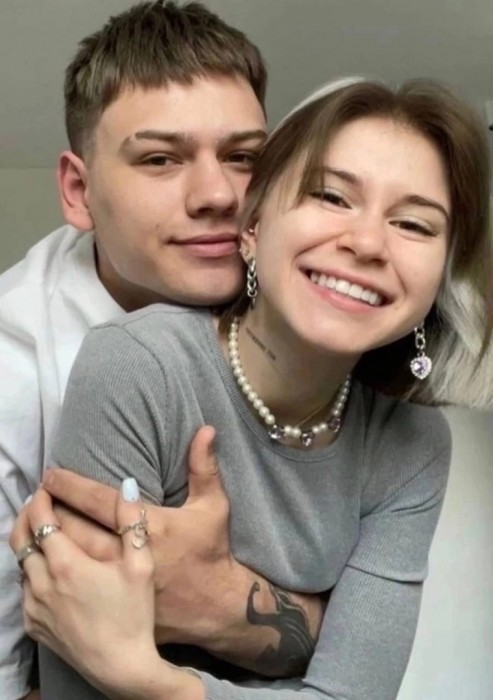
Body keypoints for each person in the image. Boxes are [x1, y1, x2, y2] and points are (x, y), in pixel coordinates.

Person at [10, 76, 493, 700]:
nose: (368, 243)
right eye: (331, 196)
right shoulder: (137, 366)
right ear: (254, 226)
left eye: (415, 224)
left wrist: (152, 680)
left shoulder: (414, 445)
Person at [0, 2, 329, 698]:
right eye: (160, 158)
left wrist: (218, 604)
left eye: (244, 157)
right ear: (79, 191)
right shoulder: (9, 376)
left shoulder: (318, 308)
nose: (217, 195)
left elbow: (373, 637)